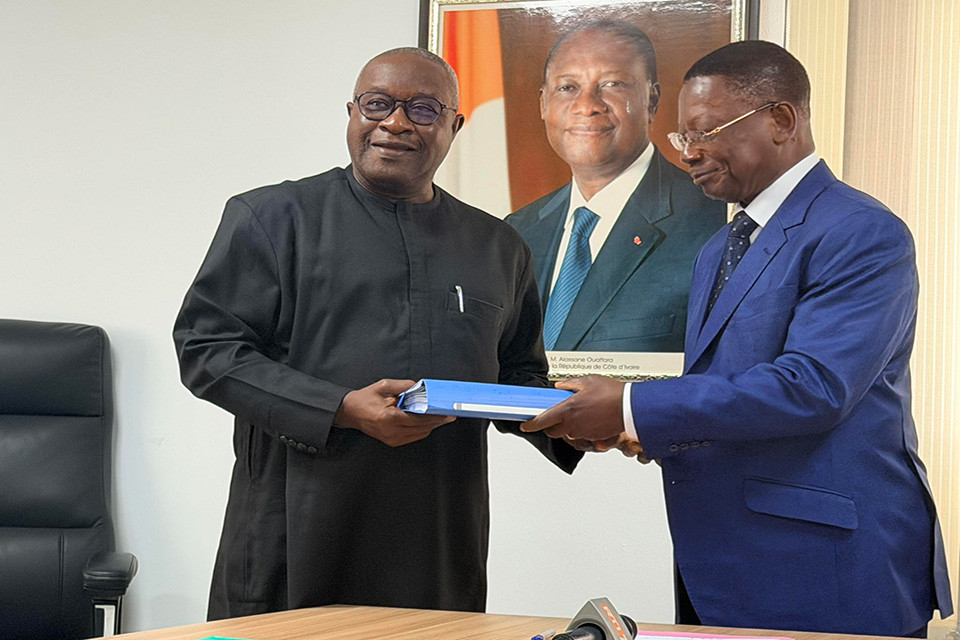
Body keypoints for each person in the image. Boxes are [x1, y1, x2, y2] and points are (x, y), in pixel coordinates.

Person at [522, 41, 953, 636]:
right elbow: (724, 389)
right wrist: (641, 428)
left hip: (825, 566)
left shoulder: (860, 231)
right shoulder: (718, 248)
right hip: (720, 563)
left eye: (706, 132)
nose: (689, 153)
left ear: (782, 120)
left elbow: (813, 388)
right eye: (683, 137)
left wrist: (631, 405)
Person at [173, 47, 579, 620]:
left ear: (455, 126)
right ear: (352, 113)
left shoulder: (498, 247)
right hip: (294, 524)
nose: (396, 123)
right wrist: (339, 408)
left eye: (423, 109)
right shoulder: (273, 218)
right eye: (377, 104)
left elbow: (517, 374)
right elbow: (206, 349)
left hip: (438, 535)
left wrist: (577, 418)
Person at [505, 21, 725, 352]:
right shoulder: (517, 231)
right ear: (543, 105)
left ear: (652, 102)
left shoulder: (715, 224)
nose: (587, 105)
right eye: (567, 87)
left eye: (612, 84)